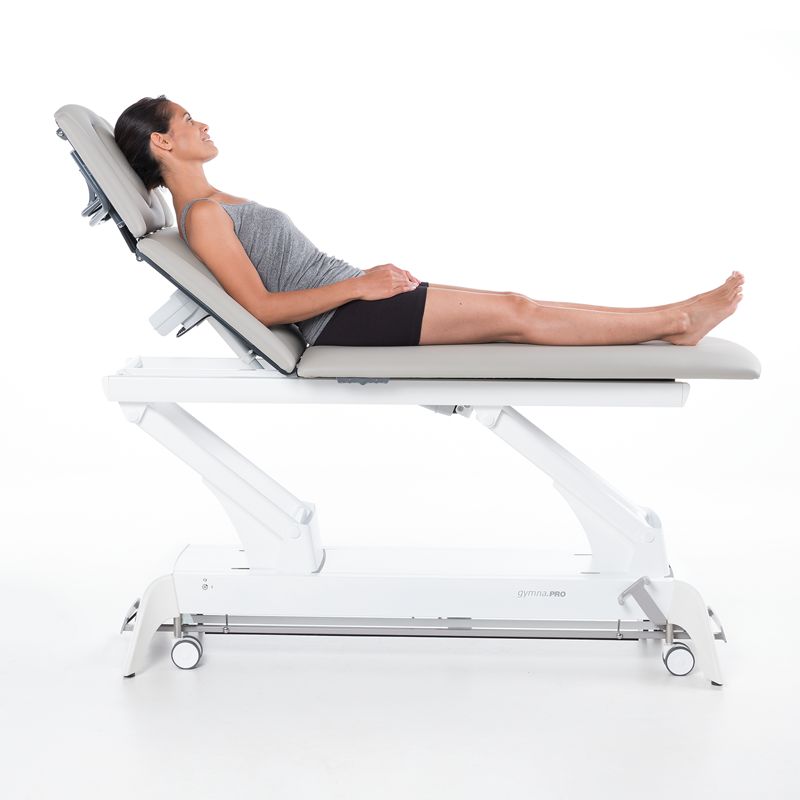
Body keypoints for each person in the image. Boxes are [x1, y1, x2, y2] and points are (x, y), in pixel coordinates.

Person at [114, 95, 744, 348]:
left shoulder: (215, 202)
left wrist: (362, 283)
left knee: (518, 307)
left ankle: (675, 316)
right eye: (188, 120)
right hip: (342, 318)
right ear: (163, 144)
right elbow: (259, 308)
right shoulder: (202, 217)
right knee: (517, 313)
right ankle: (677, 322)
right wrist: (361, 286)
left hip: (353, 302)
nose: (203, 124)